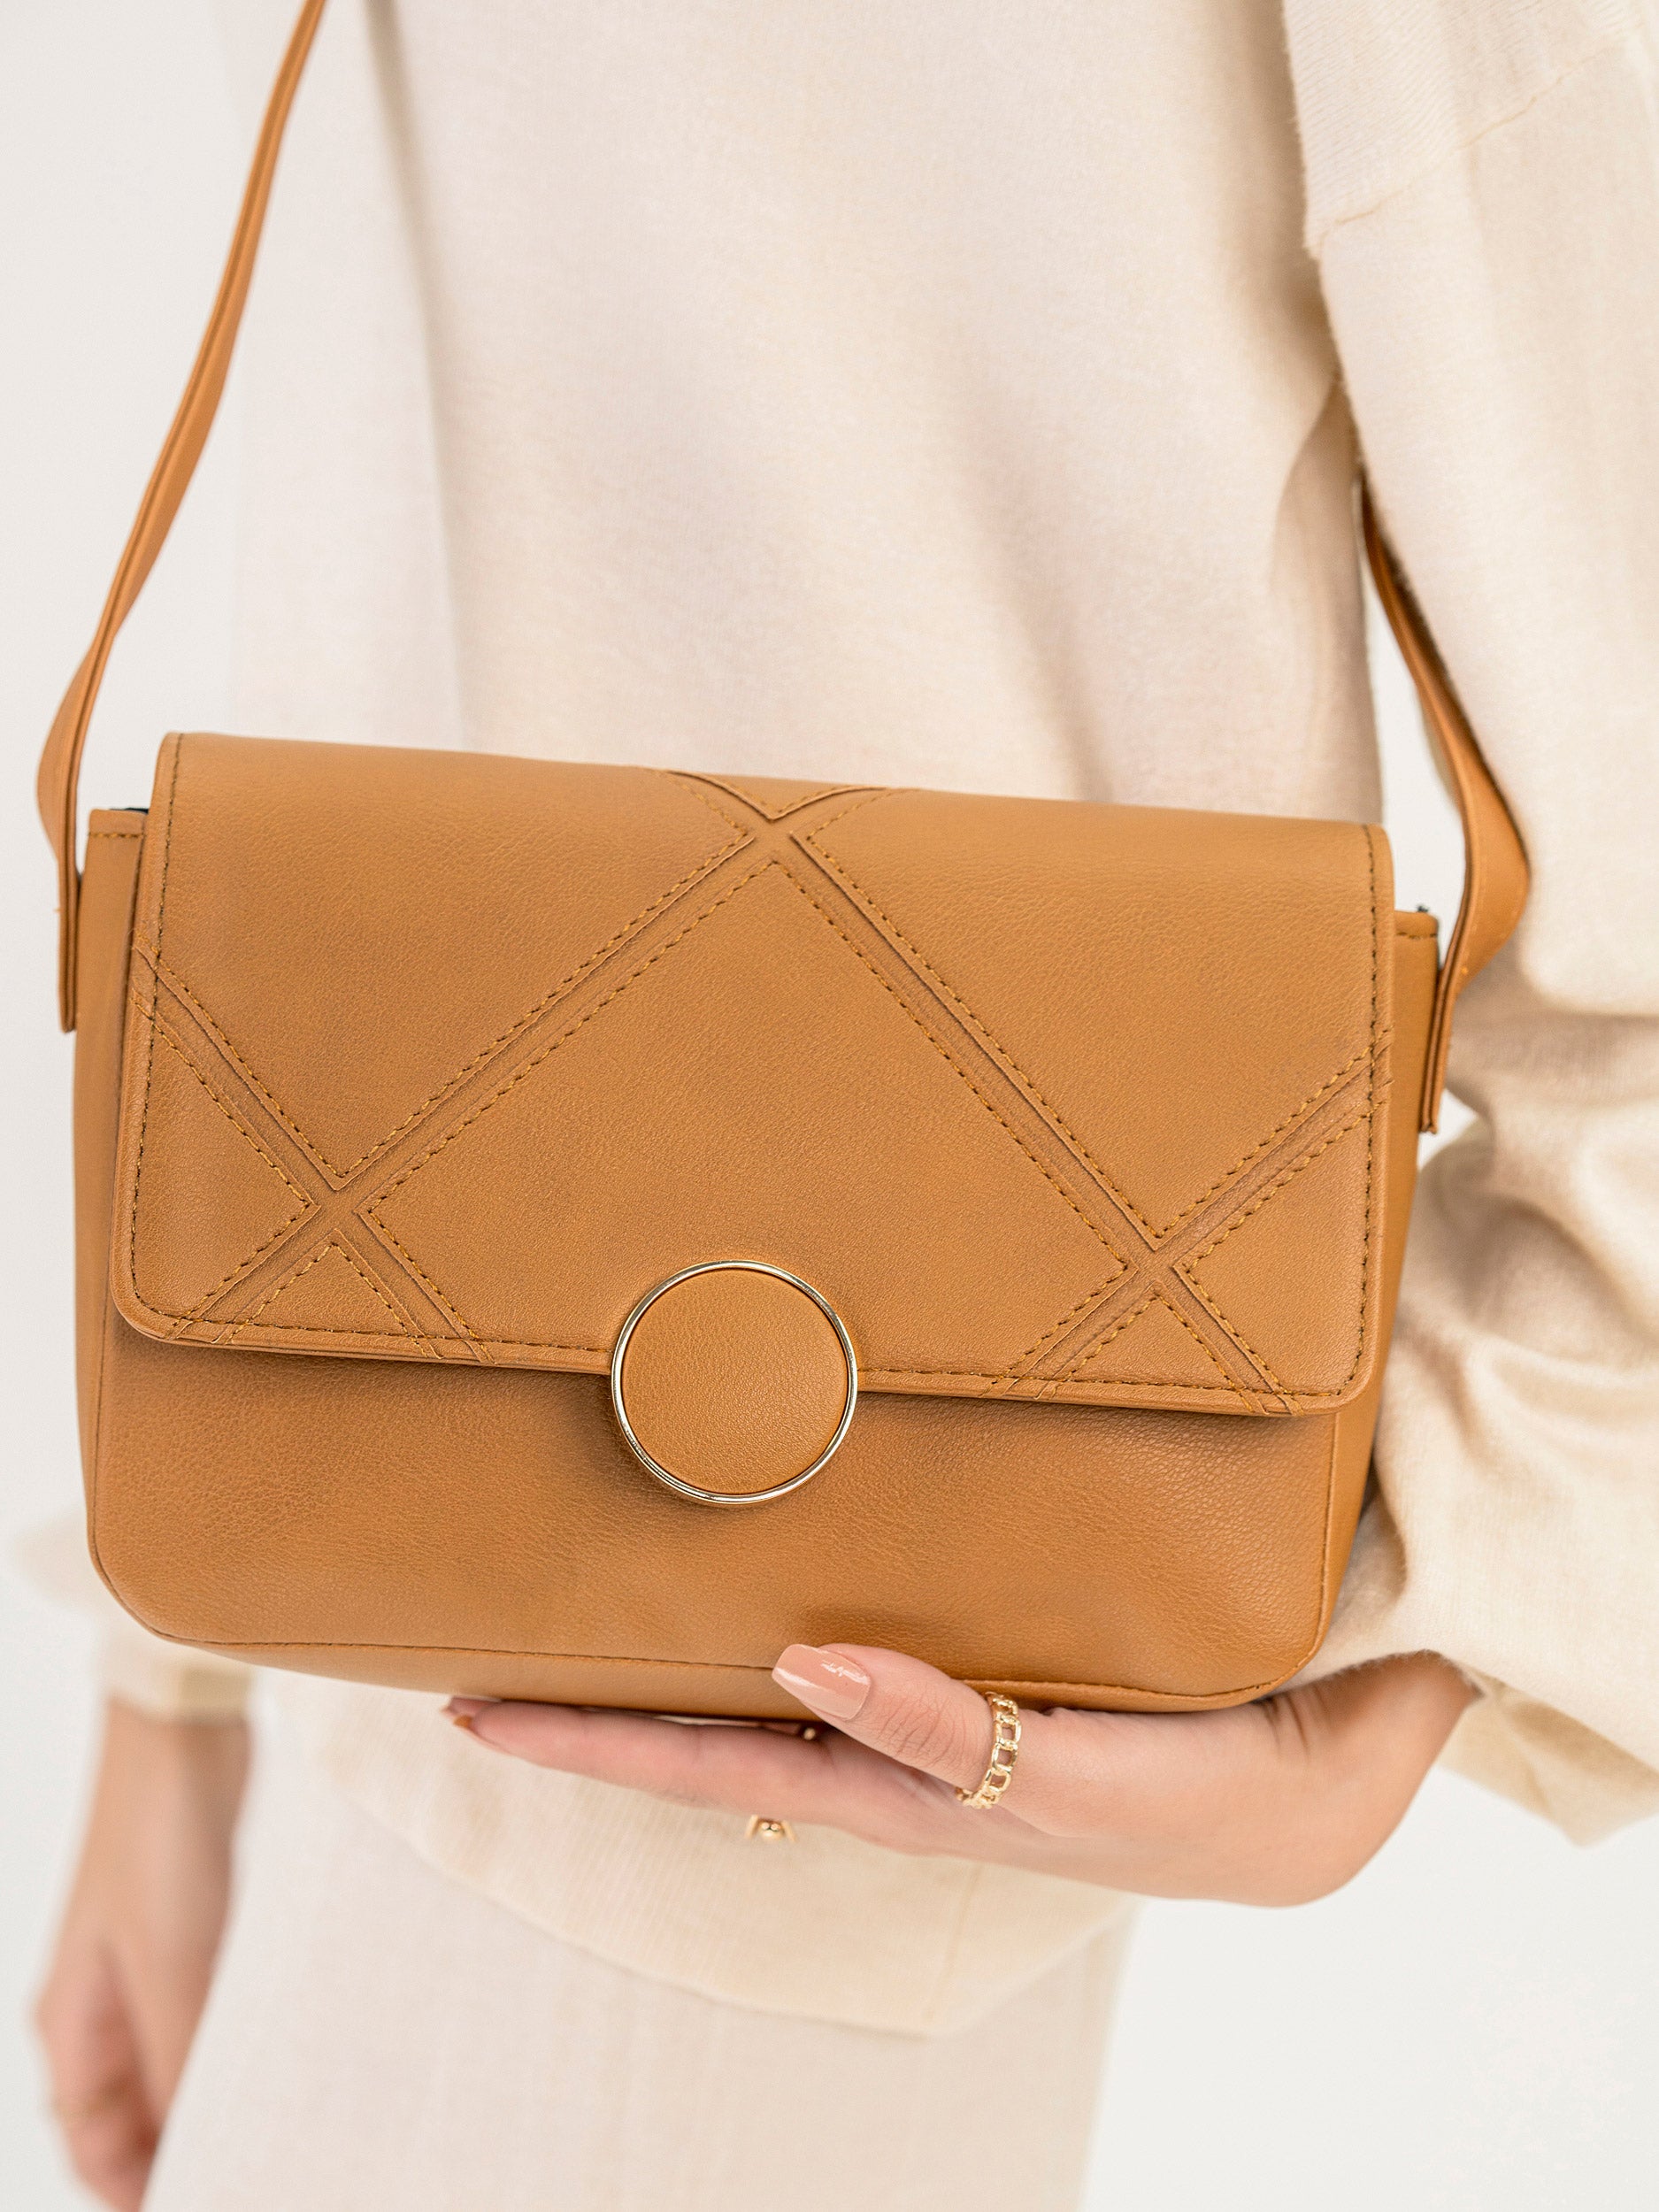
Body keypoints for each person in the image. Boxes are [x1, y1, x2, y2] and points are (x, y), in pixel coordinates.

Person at [33, 4, 1659, 2208]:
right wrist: (174, 1704)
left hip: (871, 1784)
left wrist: (1423, 1670)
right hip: (337, 1586)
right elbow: (393, 412)